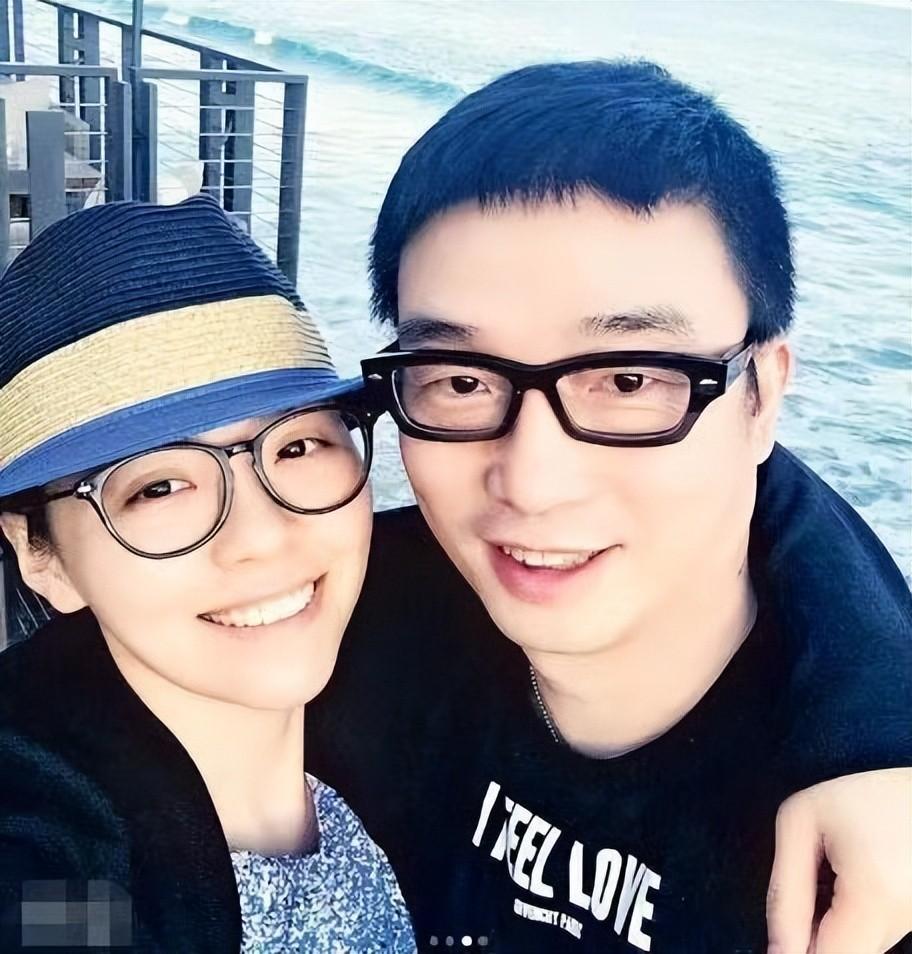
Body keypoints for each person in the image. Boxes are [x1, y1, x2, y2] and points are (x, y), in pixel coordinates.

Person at [307, 61, 912, 952]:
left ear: (762, 397)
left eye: (629, 380)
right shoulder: (334, 626)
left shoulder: (864, 888)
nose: (532, 482)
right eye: (462, 380)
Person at [0, 195, 415, 952]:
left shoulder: (426, 697)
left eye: (297, 447)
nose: (261, 536)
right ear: (41, 556)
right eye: (159, 487)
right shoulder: (53, 867)